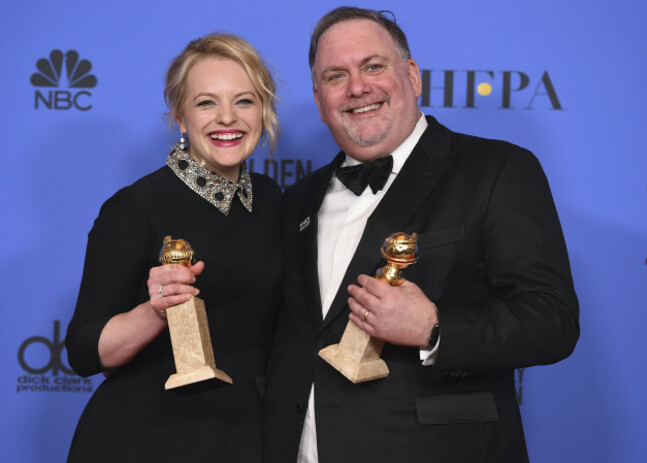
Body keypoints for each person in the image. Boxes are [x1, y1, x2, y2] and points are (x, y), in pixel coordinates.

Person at [262, 7, 579, 463]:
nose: (357, 87)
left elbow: (553, 323)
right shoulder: (296, 200)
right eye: (336, 75)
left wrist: (434, 328)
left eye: (373, 66)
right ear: (318, 100)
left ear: (412, 75)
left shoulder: (496, 170)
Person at [65, 33, 281, 462]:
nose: (227, 118)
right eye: (206, 103)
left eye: (244, 101)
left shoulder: (274, 200)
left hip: (247, 433)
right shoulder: (136, 207)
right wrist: (155, 311)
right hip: (151, 435)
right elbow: (85, 350)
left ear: (263, 112)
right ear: (180, 117)